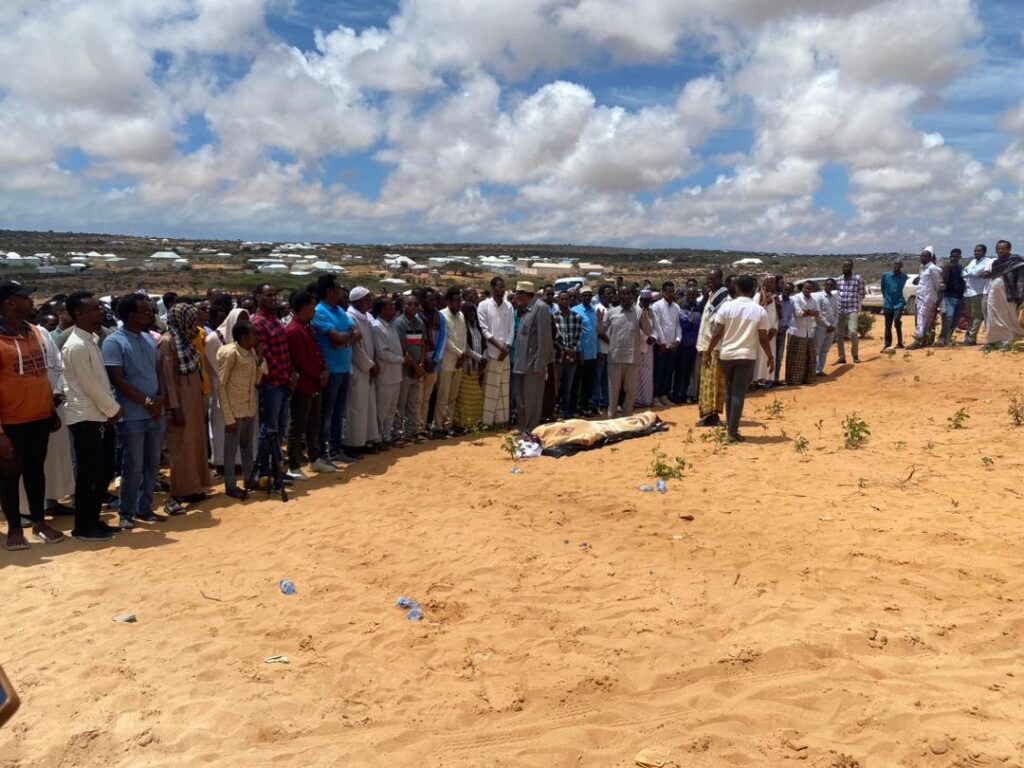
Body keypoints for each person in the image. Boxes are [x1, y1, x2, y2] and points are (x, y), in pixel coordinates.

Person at [1, 280, 66, 550]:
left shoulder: (36, 333)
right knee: (8, 476)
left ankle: (40, 522)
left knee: (35, 472)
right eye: (26, 297)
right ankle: (15, 528)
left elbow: (41, 375)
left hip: (38, 417)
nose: (32, 301)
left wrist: (49, 408)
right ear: (10, 303)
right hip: (10, 423)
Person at [62, 291, 123, 541]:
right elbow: (89, 385)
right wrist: (113, 408)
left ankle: (93, 520)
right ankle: (83, 527)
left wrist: (108, 409)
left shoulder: (90, 339)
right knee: (88, 475)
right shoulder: (75, 345)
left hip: (99, 416)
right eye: (96, 308)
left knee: (103, 471)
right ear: (79, 313)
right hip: (86, 418)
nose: (101, 311)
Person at [104, 294, 167, 528]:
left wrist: (160, 398)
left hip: (155, 413)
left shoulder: (149, 339)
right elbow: (118, 380)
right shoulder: (114, 342)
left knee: (152, 464)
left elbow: (158, 370)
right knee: (133, 466)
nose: (151, 315)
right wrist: (148, 402)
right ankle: (126, 513)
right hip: (132, 415)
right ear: (131, 315)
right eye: (146, 311)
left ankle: (145, 508)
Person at [703, 275, 773, 442]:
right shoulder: (759, 311)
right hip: (746, 356)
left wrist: (708, 352)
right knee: (738, 394)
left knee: (730, 390)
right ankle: (732, 432)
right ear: (754, 289)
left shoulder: (727, 307)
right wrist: (770, 356)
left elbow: (717, 332)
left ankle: (730, 428)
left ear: (737, 288)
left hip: (726, 355)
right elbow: (763, 338)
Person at [159, 304, 211, 508]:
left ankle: (195, 486)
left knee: (195, 442)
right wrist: (175, 407)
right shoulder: (168, 341)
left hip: (193, 399)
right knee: (182, 446)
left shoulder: (186, 339)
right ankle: (182, 490)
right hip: (180, 401)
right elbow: (168, 378)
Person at [285, 291, 332, 479]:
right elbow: (302, 360)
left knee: (314, 422)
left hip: (315, 383)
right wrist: (318, 375)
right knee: (298, 425)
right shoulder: (294, 330)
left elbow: (317, 354)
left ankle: (315, 459)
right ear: (304, 307)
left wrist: (325, 370)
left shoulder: (307, 327)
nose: (315, 311)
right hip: (304, 385)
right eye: (313, 307)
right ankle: (294, 465)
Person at [312, 276, 359, 465]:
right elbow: (337, 338)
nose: (342, 291)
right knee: (326, 414)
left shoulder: (339, 310)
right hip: (330, 371)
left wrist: (344, 339)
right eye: (339, 288)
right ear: (329, 291)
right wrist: (345, 339)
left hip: (344, 368)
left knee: (338, 412)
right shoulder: (319, 312)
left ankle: (336, 450)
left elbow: (357, 333)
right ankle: (322, 453)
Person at [251, 284, 294, 484]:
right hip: (272, 383)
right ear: (258, 297)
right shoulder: (258, 323)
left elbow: (285, 351)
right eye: (268, 295)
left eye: (275, 294)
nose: (273, 298)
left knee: (278, 430)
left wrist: (291, 375)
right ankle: (264, 473)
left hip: (284, 382)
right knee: (268, 429)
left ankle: (276, 469)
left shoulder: (275, 321)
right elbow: (266, 357)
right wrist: (285, 376)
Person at [217, 321, 261, 499]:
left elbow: (257, 380)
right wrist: (228, 418)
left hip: (249, 407)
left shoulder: (250, 353)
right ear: (243, 337)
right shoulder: (230, 353)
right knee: (230, 451)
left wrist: (261, 358)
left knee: (247, 447)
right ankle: (230, 485)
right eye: (253, 335)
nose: (256, 338)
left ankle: (249, 478)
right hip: (234, 410)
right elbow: (221, 385)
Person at [205, 307, 249, 472]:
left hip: (244, 394)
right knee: (222, 430)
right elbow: (220, 371)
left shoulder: (246, 339)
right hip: (222, 393)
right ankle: (224, 466)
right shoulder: (213, 340)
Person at [602, 286, 653, 419]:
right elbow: (600, 331)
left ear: (632, 296)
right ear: (618, 296)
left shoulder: (638, 312)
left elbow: (648, 331)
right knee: (613, 390)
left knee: (630, 391)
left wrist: (645, 319)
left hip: (633, 358)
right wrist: (598, 321)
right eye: (622, 294)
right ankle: (611, 416)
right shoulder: (611, 313)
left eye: (628, 294)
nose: (625, 297)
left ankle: (627, 416)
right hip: (615, 358)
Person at [512, 282, 554, 431]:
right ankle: (523, 429)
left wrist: (539, 365)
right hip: (520, 363)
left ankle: (531, 430)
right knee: (521, 401)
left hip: (532, 364)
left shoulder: (540, 308)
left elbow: (544, 339)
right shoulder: (525, 309)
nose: (515, 296)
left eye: (517, 293)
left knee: (532, 400)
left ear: (525, 294)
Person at [345, 287, 381, 453]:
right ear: (359, 301)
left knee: (368, 407)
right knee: (356, 407)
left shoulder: (367, 317)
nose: (371, 301)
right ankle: (353, 444)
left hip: (369, 367)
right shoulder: (350, 317)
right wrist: (369, 365)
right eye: (368, 298)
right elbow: (356, 347)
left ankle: (366, 440)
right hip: (359, 368)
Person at [477, 277, 515, 427]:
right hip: (493, 353)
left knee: (504, 388)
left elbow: (512, 329)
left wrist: (507, 347)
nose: (502, 290)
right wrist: (500, 348)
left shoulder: (509, 306)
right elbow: (484, 330)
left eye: (503, 287)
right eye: (499, 287)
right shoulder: (483, 305)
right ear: (493, 288)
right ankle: (487, 422)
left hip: (505, 353)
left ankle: (502, 420)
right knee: (490, 389)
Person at [696, 269, 729, 427]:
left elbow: (717, 328)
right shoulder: (712, 296)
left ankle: (712, 416)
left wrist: (709, 350)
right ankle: (709, 414)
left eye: (713, 279)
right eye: (708, 279)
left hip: (714, 348)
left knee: (713, 384)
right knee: (707, 382)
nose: (709, 282)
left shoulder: (723, 299)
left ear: (720, 279)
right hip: (707, 346)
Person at [394, 295, 427, 443]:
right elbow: (403, 348)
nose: (413, 307)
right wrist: (415, 366)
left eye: (415, 304)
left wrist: (421, 365)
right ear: (403, 306)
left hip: (417, 370)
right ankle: (397, 434)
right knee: (400, 404)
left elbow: (423, 344)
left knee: (413, 403)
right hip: (405, 370)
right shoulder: (399, 323)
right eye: (410, 304)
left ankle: (410, 433)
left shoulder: (419, 322)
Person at [372, 297, 405, 445]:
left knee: (392, 409)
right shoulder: (377, 327)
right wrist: (402, 359)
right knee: (382, 409)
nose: (394, 308)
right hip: (385, 375)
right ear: (383, 310)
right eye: (391, 306)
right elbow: (382, 352)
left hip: (396, 375)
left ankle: (387, 436)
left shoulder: (391, 326)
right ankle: (378, 437)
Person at [434, 287, 466, 435]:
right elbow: (445, 340)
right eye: (456, 301)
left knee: (453, 397)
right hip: (447, 361)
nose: (458, 304)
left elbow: (463, 337)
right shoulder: (442, 315)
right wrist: (460, 354)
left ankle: (448, 426)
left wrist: (462, 355)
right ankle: (438, 426)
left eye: (460, 301)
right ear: (448, 301)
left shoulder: (461, 316)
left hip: (459, 362)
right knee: (443, 396)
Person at [415, 288, 446, 436]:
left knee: (426, 398)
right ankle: (414, 427)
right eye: (430, 300)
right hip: (419, 364)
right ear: (422, 301)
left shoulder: (439, 317)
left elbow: (442, 340)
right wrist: (422, 361)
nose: (433, 303)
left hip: (433, 363)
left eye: (434, 299)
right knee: (417, 398)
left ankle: (422, 427)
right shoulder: (416, 317)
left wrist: (435, 360)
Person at [983, 239, 1024, 349]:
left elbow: (1021, 279)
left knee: (1009, 316)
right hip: (994, 293)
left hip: (1009, 293)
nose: (1000, 251)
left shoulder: (1016, 261)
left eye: (1003, 248)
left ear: (1009, 249)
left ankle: (1011, 338)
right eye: (998, 249)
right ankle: (993, 339)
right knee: (993, 314)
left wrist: (1020, 295)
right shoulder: (996, 263)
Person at [650, 282, 681, 406]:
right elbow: (657, 326)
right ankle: (655, 397)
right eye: (668, 291)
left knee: (668, 372)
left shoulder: (676, 307)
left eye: (673, 291)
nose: (671, 294)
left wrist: (678, 340)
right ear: (663, 292)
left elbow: (678, 326)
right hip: (660, 346)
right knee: (658, 372)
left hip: (673, 346)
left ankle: (664, 395)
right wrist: (662, 343)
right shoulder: (656, 306)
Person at [553, 291, 582, 417]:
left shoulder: (576, 317)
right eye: (562, 299)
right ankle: (554, 411)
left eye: (566, 299)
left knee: (568, 387)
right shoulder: (553, 317)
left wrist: (570, 352)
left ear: (570, 301)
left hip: (571, 359)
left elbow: (578, 336)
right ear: (558, 301)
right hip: (558, 358)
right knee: (555, 387)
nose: (564, 301)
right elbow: (553, 338)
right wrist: (564, 350)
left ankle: (566, 412)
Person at [571, 287, 598, 416]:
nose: (587, 298)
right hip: (581, 354)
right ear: (580, 297)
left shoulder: (594, 311)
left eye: (589, 296)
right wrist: (579, 352)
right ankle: (575, 407)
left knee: (589, 382)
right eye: (584, 296)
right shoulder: (575, 311)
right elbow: (576, 334)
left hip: (593, 354)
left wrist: (598, 352)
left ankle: (585, 406)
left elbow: (595, 333)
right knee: (577, 382)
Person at [786, 280, 819, 386]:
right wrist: (810, 312)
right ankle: (794, 381)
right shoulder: (796, 298)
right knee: (796, 360)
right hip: (797, 332)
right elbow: (798, 313)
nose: (807, 290)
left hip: (808, 332)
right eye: (805, 288)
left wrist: (808, 312)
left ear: (812, 289)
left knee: (809, 357)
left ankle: (807, 379)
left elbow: (817, 313)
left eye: (809, 289)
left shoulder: (813, 300)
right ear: (802, 288)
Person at [910, 247, 943, 348]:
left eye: (925, 256)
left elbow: (938, 285)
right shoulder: (923, 268)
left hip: (928, 298)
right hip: (920, 297)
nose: (922, 258)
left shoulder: (933, 269)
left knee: (923, 319)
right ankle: (923, 340)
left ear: (930, 257)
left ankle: (919, 340)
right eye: (921, 256)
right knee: (921, 319)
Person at [674, 284, 701, 403]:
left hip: (693, 345)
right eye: (688, 294)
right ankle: (676, 395)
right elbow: (683, 323)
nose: (690, 297)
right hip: (683, 345)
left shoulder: (699, 308)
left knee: (689, 372)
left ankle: (684, 394)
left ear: (696, 296)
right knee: (680, 371)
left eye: (693, 295)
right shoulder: (681, 308)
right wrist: (692, 322)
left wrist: (691, 322)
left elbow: (699, 325)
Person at [834, 260, 865, 364]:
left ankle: (855, 355)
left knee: (853, 332)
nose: (844, 269)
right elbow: (838, 292)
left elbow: (862, 293)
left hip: (852, 309)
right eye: (843, 267)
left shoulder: (857, 279)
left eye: (846, 267)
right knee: (839, 334)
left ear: (851, 268)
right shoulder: (839, 279)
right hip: (840, 309)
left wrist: (855, 302)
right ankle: (841, 356)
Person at [962, 244, 993, 345]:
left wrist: (969, 272)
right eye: (975, 251)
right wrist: (970, 272)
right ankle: (969, 335)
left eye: (979, 251)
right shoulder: (973, 261)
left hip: (978, 292)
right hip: (968, 292)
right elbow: (963, 271)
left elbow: (975, 272)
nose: (976, 253)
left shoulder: (987, 261)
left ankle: (972, 337)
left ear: (984, 252)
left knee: (977, 316)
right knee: (970, 315)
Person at [751, 276, 778, 386]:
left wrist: (774, 328)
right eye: (768, 282)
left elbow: (776, 314)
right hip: (761, 332)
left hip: (772, 332)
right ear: (764, 283)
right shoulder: (758, 296)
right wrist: (764, 329)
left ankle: (765, 379)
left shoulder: (775, 297)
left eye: (772, 282)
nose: (770, 284)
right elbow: (755, 312)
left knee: (768, 356)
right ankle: (755, 380)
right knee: (759, 356)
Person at [939, 248, 967, 346]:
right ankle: (943, 338)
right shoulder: (946, 267)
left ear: (960, 257)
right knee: (949, 317)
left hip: (959, 297)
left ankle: (948, 337)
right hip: (948, 296)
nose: (954, 258)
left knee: (955, 320)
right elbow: (942, 281)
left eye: (956, 256)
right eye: (952, 256)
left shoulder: (961, 268)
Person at [880, 260, 909, 350]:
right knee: (888, 325)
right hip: (888, 304)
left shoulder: (904, 277)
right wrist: (886, 298)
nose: (896, 266)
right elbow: (882, 287)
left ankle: (900, 343)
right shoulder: (886, 276)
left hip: (899, 303)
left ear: (901, 266)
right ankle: (887, 344)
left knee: (897, 320)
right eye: (895, 264)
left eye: (899, 264)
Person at [634, 289, 655, 408]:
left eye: (648, 301)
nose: (646, 303)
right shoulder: (636, 311)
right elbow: (636, 328)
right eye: (644, 300)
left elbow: (656, 326)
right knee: (637, 375)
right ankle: (637, 400)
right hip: (639, 345)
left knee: (647, 374)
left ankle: (646, 400)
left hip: (650, 347)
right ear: (641, 300)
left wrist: (653, 337)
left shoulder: (651, 311)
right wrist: (645, 338)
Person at [814, 278, 838, 375]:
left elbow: (837, 313)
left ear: (833, 287)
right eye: (827, 284)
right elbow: (818, 314)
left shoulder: (834, 298)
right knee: (816, 350)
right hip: (821, 328)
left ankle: (819, 370)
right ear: (824, 285)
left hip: (831, 329)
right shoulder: (819, 297)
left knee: (824, 350)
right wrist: (827, 325)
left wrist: (833, 325)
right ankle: (813, 370)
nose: (829, 286)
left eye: (831, 285)